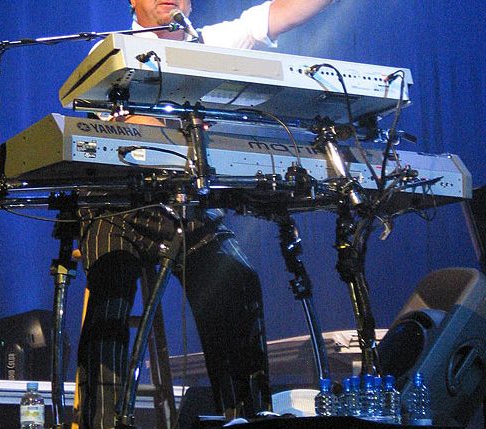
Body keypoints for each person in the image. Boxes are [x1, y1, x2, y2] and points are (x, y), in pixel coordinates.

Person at [75, 1, 334, 428]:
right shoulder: (112, 49)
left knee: (237, 277)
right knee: (110, 289)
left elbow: (280, 13)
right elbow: (114, 125)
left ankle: (245, 415)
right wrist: (185, 122)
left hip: (186, 205)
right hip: (118, 202)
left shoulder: (211, 42)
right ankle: (101, 423)